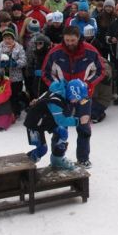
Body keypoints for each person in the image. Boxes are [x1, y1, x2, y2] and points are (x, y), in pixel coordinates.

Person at [41, 25, 103, 167]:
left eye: (73, 40)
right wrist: (58, 88)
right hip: (62, 98)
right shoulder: (55, 52)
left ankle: (83, 158)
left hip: (83, 96)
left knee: (84, 126)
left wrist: (88, 84)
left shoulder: (90, 51)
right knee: (60, 128)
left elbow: (100, 71)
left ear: (79, 38)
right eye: (67, 40)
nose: (70, 43)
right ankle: (57, 159)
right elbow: (46, 72)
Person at [24, 79, 88, 170]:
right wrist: (78, 121)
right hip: (34, 123)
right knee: (42, 149)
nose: (76, 102)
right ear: (72, 94)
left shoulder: (60, 92)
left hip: (46, 119)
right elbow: (61, 121)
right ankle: (26, 166)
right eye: (77, 99)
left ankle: (57, 160)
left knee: (63, 132)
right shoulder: (56, 101)